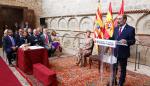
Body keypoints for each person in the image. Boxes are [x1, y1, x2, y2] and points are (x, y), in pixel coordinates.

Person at [110, 14, 135, 86]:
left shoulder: (131, 29)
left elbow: (133, 41)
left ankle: (121, 82)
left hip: (123, 53)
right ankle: (113, 80)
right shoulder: (115, 28)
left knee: (123, 69)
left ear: (124, 20)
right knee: (114, 68)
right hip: (115, 52)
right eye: (117, 19)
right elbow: (112, 38)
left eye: (119, 19)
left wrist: (126, 41)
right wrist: (106, 38)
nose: (118, 20)